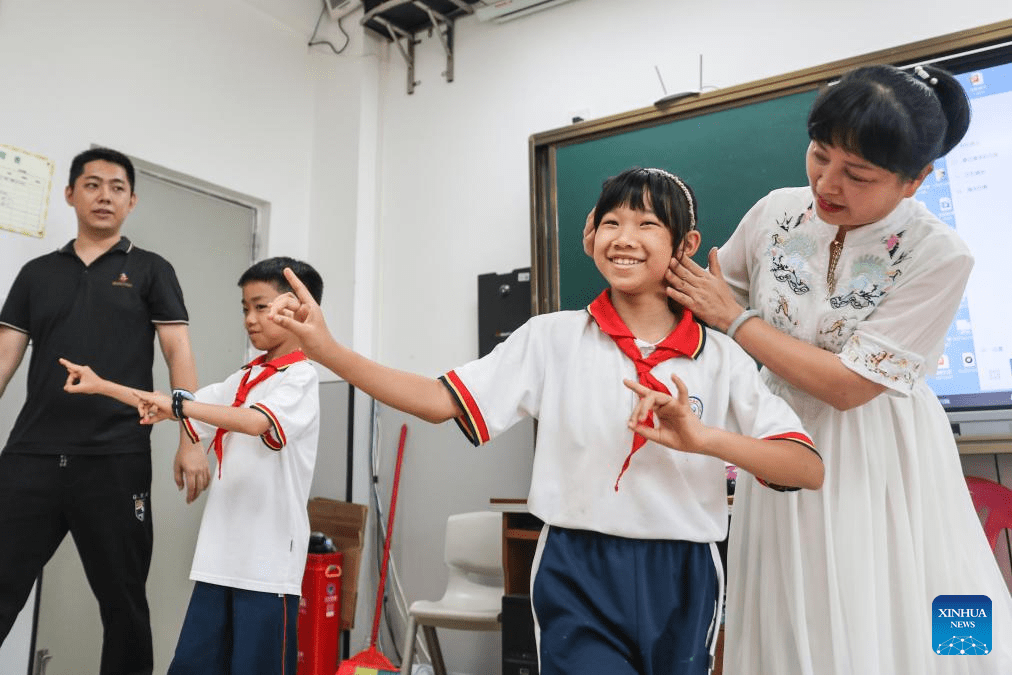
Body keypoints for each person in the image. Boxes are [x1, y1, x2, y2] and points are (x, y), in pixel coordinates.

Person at [268, 167, 823, 675]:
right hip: (576, 568)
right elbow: (439, 401)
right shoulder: (550, 338)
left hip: (683, 573)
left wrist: (704, 439)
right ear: (589, 235)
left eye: (647, 224)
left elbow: (805, 466)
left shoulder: (721, 357)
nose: (624, 238)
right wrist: (327, 351)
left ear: (687, 244)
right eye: (611, 222)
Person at [658, 64, 1012, 673]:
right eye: (820, 156)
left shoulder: (939, 254)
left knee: (883, 600)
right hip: (776, 439)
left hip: (877, 452)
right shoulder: (775, 213)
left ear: (916, 180)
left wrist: (737, 321)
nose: (828, 183)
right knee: (788, 605)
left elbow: (850, 386)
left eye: (858, 174)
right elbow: (704, 300)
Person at [60, 256, 324, 675]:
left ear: (297, 309)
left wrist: (181, 404)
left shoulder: (301, 379)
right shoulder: (243, 379)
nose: (250, 319)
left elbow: (257, 421)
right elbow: (174, 406)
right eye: (244, 308)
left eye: (260, 306)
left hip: (267, 571)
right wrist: (103, 385)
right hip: (219, 562)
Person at [0, 147, 209, 675]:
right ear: (69, 194)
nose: (104, 195)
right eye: (92, 184)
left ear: (132, 201)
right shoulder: (36, 273)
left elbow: (177, 352)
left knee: (123, 607)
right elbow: (4, 355)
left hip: (116, 459)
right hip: (31, 459)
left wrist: (191, 438)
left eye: (117, 187)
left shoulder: (151, 270)